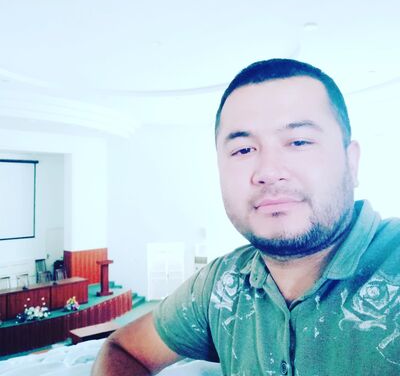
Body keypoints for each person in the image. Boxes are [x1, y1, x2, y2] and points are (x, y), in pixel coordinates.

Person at [91, 59, 400, 376]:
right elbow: (125, 348)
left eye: (299, 142)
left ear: (351, 162)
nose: (268, 171)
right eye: (243, 150)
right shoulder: (220, 284)